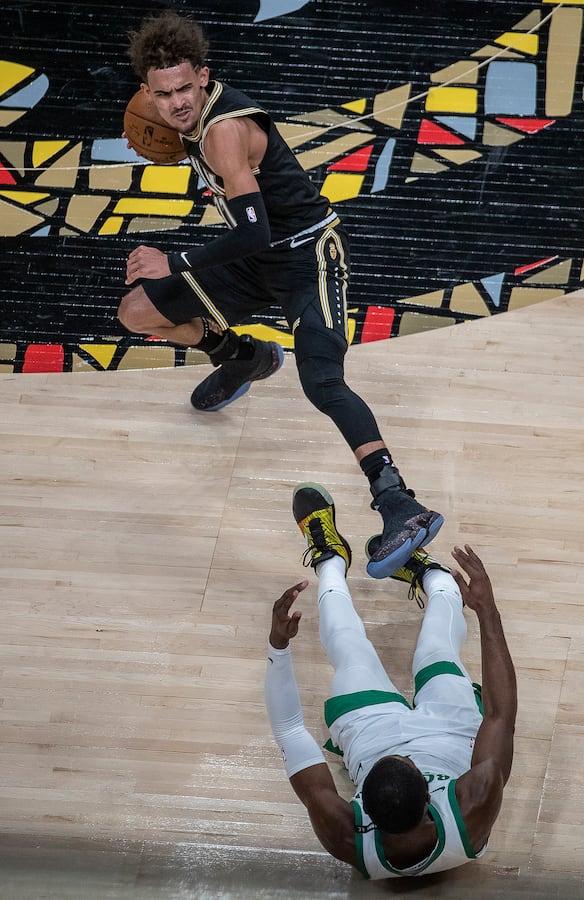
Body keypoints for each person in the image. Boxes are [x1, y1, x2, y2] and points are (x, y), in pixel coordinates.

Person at [118, 10, 443, 578]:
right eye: (163, 93)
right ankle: (242, 357)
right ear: (147, 91)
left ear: (204, 76)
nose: (176, 104)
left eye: (184, 89)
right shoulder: (181, 119)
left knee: (321, 380)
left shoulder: (223, 130)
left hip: (306, 255)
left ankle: (399, 504)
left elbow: (253, 229)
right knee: (137, 310)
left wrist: (173, 259)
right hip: (255, 260)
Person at [264, 483, 517, 879]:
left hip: (372, 737)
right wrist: (486, 610)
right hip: (450, 735)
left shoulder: (347, 837)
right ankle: (433, 575)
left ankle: (330, 560)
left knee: (348, 648)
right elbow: (501, 714)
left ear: (361, 806)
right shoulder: (473, 806)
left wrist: (278, 648)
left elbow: (289, 729)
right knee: (437, 652)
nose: (410, 753)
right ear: (429, 794)